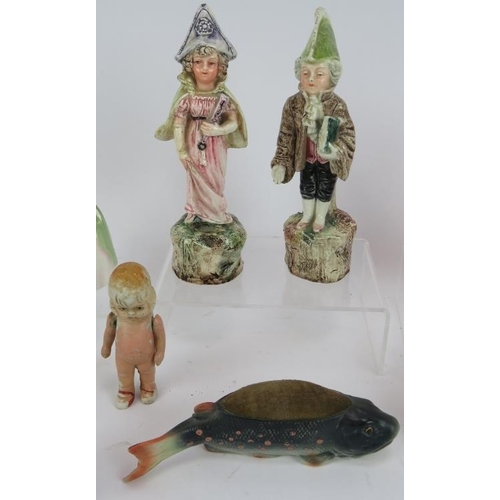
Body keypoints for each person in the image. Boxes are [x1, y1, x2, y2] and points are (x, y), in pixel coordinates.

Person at [155, 4, 247, 224]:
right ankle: (195, 210)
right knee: (194, 175)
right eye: (198, 62)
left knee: (215, 178)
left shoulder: (222, 98)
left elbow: (234, 121)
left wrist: (219, 129)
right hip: (193, 141)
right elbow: (179, 124)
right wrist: (181, 150)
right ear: (190, 66)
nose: (205, 68)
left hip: (216, 144)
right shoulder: (187, 99)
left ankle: (216, 212)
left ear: (220, 67)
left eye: (211, 63)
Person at [271, 8, 355, 233]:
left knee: (325, 184)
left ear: (331, 76)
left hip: (325, 158)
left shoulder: (336, 105)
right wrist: (280, 162)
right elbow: (286, 136)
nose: (311, 78)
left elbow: (348, 135)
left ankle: (320, 216)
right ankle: (307, 213)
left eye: (319, 73)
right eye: (306, 72)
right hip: (306, 156)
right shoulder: (293, 104)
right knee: (307, 183)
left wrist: (335, 150)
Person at [101, 262, 166, 410]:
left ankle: (148, 387)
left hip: (147, 357)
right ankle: (126, 390)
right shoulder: (114, 319)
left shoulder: (153, 321)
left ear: (150, 299)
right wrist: (106, 347)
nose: (131, 313)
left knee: (148, 373)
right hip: (122, 358)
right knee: (124, 375)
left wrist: (160, 352)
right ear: (114, 305)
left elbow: (160, 337)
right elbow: (109, 332)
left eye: (139, 308)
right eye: (123, 308)